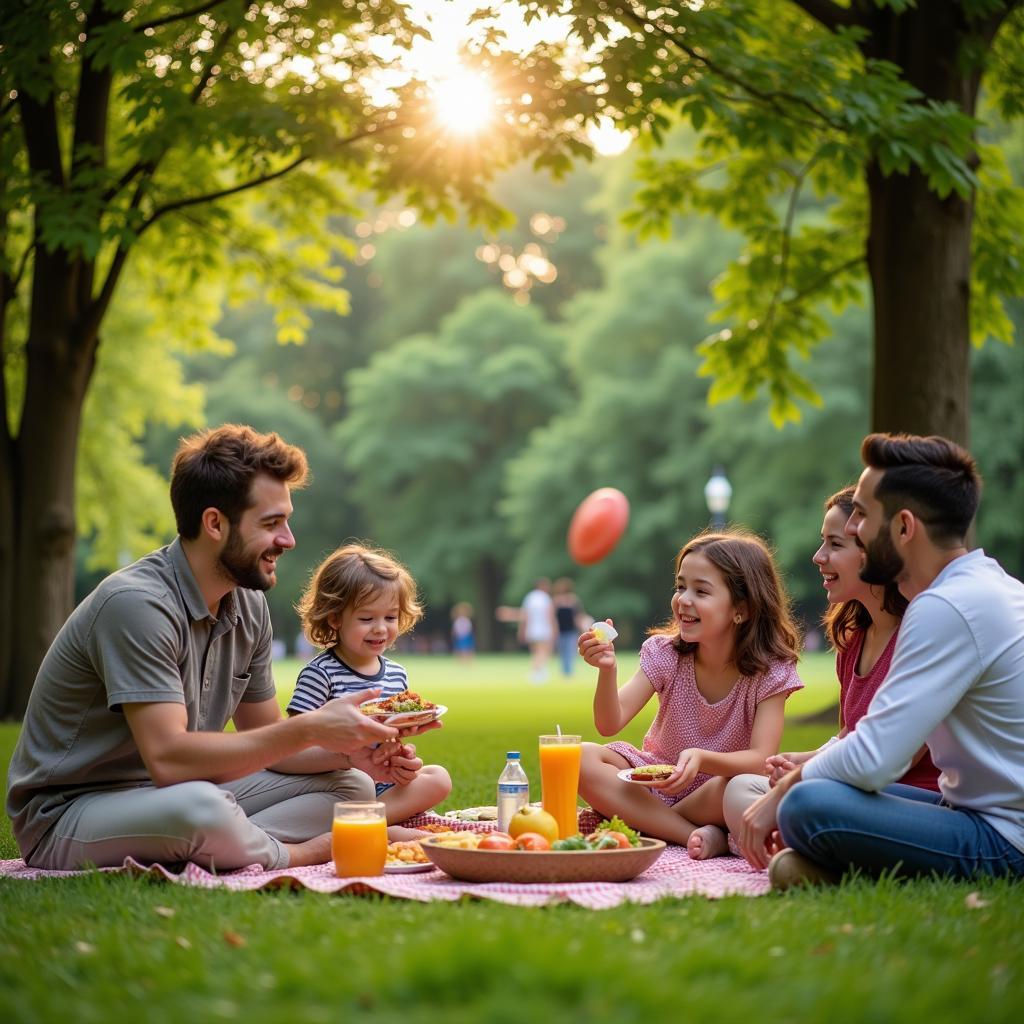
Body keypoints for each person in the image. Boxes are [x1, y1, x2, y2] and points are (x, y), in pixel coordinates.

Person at [6, 425, 432, 872]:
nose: (288, 540)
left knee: (352, 788)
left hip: (172, 792)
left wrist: (351, 753)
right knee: (204, 808)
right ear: (214, 523)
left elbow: (271, 743)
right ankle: (296, 851)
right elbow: (169, 760)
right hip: (71, 813)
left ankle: (233, 841)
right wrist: (312, 728)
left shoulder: (249, 605)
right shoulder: (137, 605)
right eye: (271, 523)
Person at [739, 433, 1024, 888]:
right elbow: (875, 733)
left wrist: (788, 787)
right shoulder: (971, 589)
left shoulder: (948, 606)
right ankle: (838, 867)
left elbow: (875, 760)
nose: (855, 529)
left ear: (904, 527)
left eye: (865, 516)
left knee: (804, 805)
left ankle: (838, 867)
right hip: (966, 810)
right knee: (814, 792)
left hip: (1006, 840)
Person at [722, 487, 939, 840]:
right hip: (856, 790)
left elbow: (897, 758)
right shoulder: (854, 639)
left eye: (835, 545)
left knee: (798, 799)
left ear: (877, 552)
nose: (818, 556)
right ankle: (785, 843)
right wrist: (805, 758)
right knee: (741, 788)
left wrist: (810, 772)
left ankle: (778, 843)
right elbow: (849, 736)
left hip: (910, 801)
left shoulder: (918, 636)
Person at [577, 529, 804, 859]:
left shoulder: (770, 672)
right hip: (654, 782)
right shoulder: (667, 654)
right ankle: (690, 834)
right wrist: (607, 670)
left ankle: (646, 822)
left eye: (701, 591)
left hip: (713, 790)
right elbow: (609, 724)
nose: (683, 600)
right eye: (681, 586)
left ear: (741, 609)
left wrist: (702, 759)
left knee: (737, 788)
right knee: (581, 757)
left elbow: (760, 758)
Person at [288, 543, 452, 835]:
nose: (380, 628)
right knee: (357, 786)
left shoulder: (397, 675)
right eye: (366, 619)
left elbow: (390, 739)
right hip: (338, 784)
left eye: (390, 617)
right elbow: (293, 745)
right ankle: (372, 827)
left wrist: (403, 757)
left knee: (438, 778)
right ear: (335, 618)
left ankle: (366, 824)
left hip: (383, 785)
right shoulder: (320, 674)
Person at [518, 578, 557, 683]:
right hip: (544, 628)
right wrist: (554, 629)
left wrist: (522, 630)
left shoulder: (530, 597)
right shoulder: (545, 598)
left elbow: (525, 615)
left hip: (531, 629)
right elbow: (550, 615)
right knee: (543, 651)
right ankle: (538, 672)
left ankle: (538, 671)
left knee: (536, 652)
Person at [553, 577, 589, 677]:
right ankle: (564, 671)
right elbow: (553, 617)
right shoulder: (556, 601)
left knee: (570, 651)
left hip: (571, 630)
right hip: (560, 631)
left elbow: (578, 615)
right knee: (562, 652)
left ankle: (569, 672)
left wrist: (582, 628)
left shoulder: (573, 600)